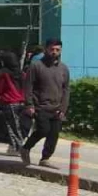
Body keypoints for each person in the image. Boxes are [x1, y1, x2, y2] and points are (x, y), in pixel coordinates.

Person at [21, 38, 71, 168]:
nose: (54, 52)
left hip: (57, 107)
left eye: (57, 50)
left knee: (54, 134)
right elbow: (28, 86)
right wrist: (29, 104)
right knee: (43, 130)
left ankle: (45, 158)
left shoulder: (64, 68)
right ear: (46, 49)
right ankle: (26, 148)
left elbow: (66, 89)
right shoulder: (36, 66)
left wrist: (63, 108)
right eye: (51, 49)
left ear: (61, 51)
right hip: (40, 106)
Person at [0, 50, 27, 155]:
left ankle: (17, 148)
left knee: (11, 127)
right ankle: (14, 147)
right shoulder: (22, 73)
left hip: (8, 101)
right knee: (18, 126)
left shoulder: (3, 74)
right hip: (21, 102)